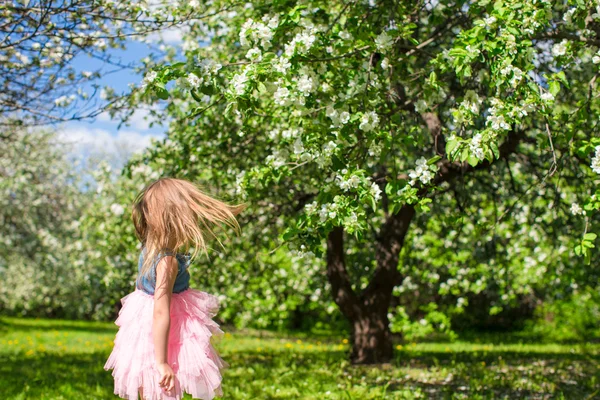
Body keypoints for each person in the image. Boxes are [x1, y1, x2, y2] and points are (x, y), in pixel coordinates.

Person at [104, 177, 244, 399]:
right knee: (162, 379)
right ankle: (160, 364)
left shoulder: (149, 249)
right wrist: (162, 362)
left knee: (149, 382)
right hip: (166, 326)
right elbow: (161, 311)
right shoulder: (167, 260)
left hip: (142, 326)